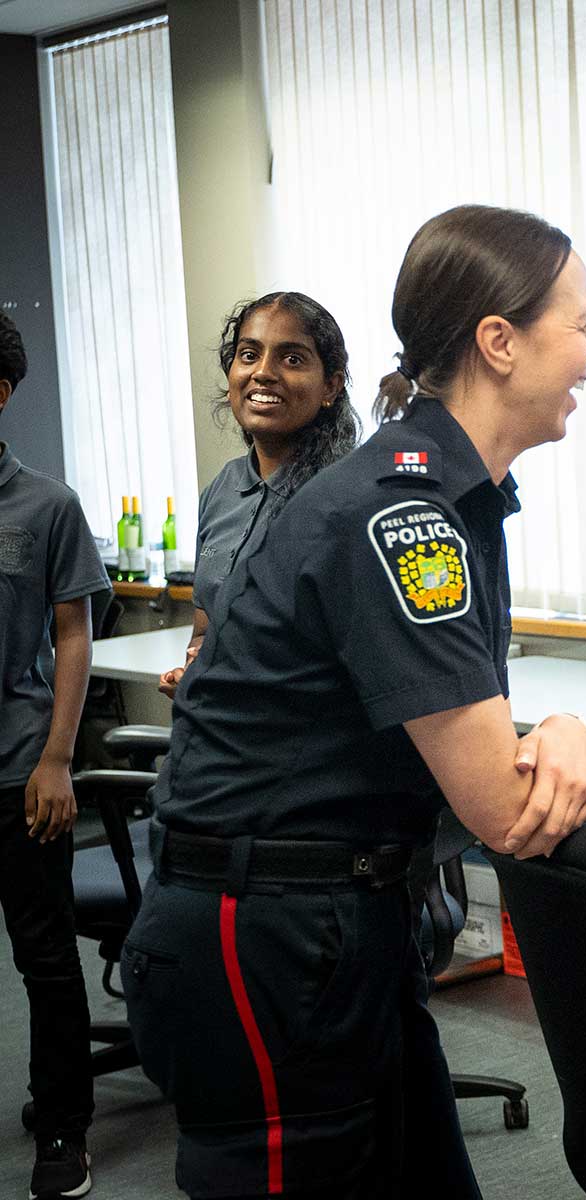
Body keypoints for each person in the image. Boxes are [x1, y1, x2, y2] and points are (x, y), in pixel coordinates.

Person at [123, 205, 586, 1198]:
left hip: (348, 923)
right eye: (581, 322)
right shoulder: (400, 515)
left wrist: (559, 734)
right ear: (499, 342)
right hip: (263, 940)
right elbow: (505, 809)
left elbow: (469, 758)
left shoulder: (446, 498)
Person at [0, 310, 111, 1198]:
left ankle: (65, 1127)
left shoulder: (47, 506)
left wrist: (57, 759)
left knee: (43, 957)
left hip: (19, 767)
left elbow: (74, 635)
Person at [158, 292, 359, 697]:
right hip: (221, 727)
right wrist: (195, 669)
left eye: (292, 359)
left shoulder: (349, 498)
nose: (263, 373)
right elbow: (205, 629)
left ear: (331, 386)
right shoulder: (222, 489)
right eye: (249, 355)